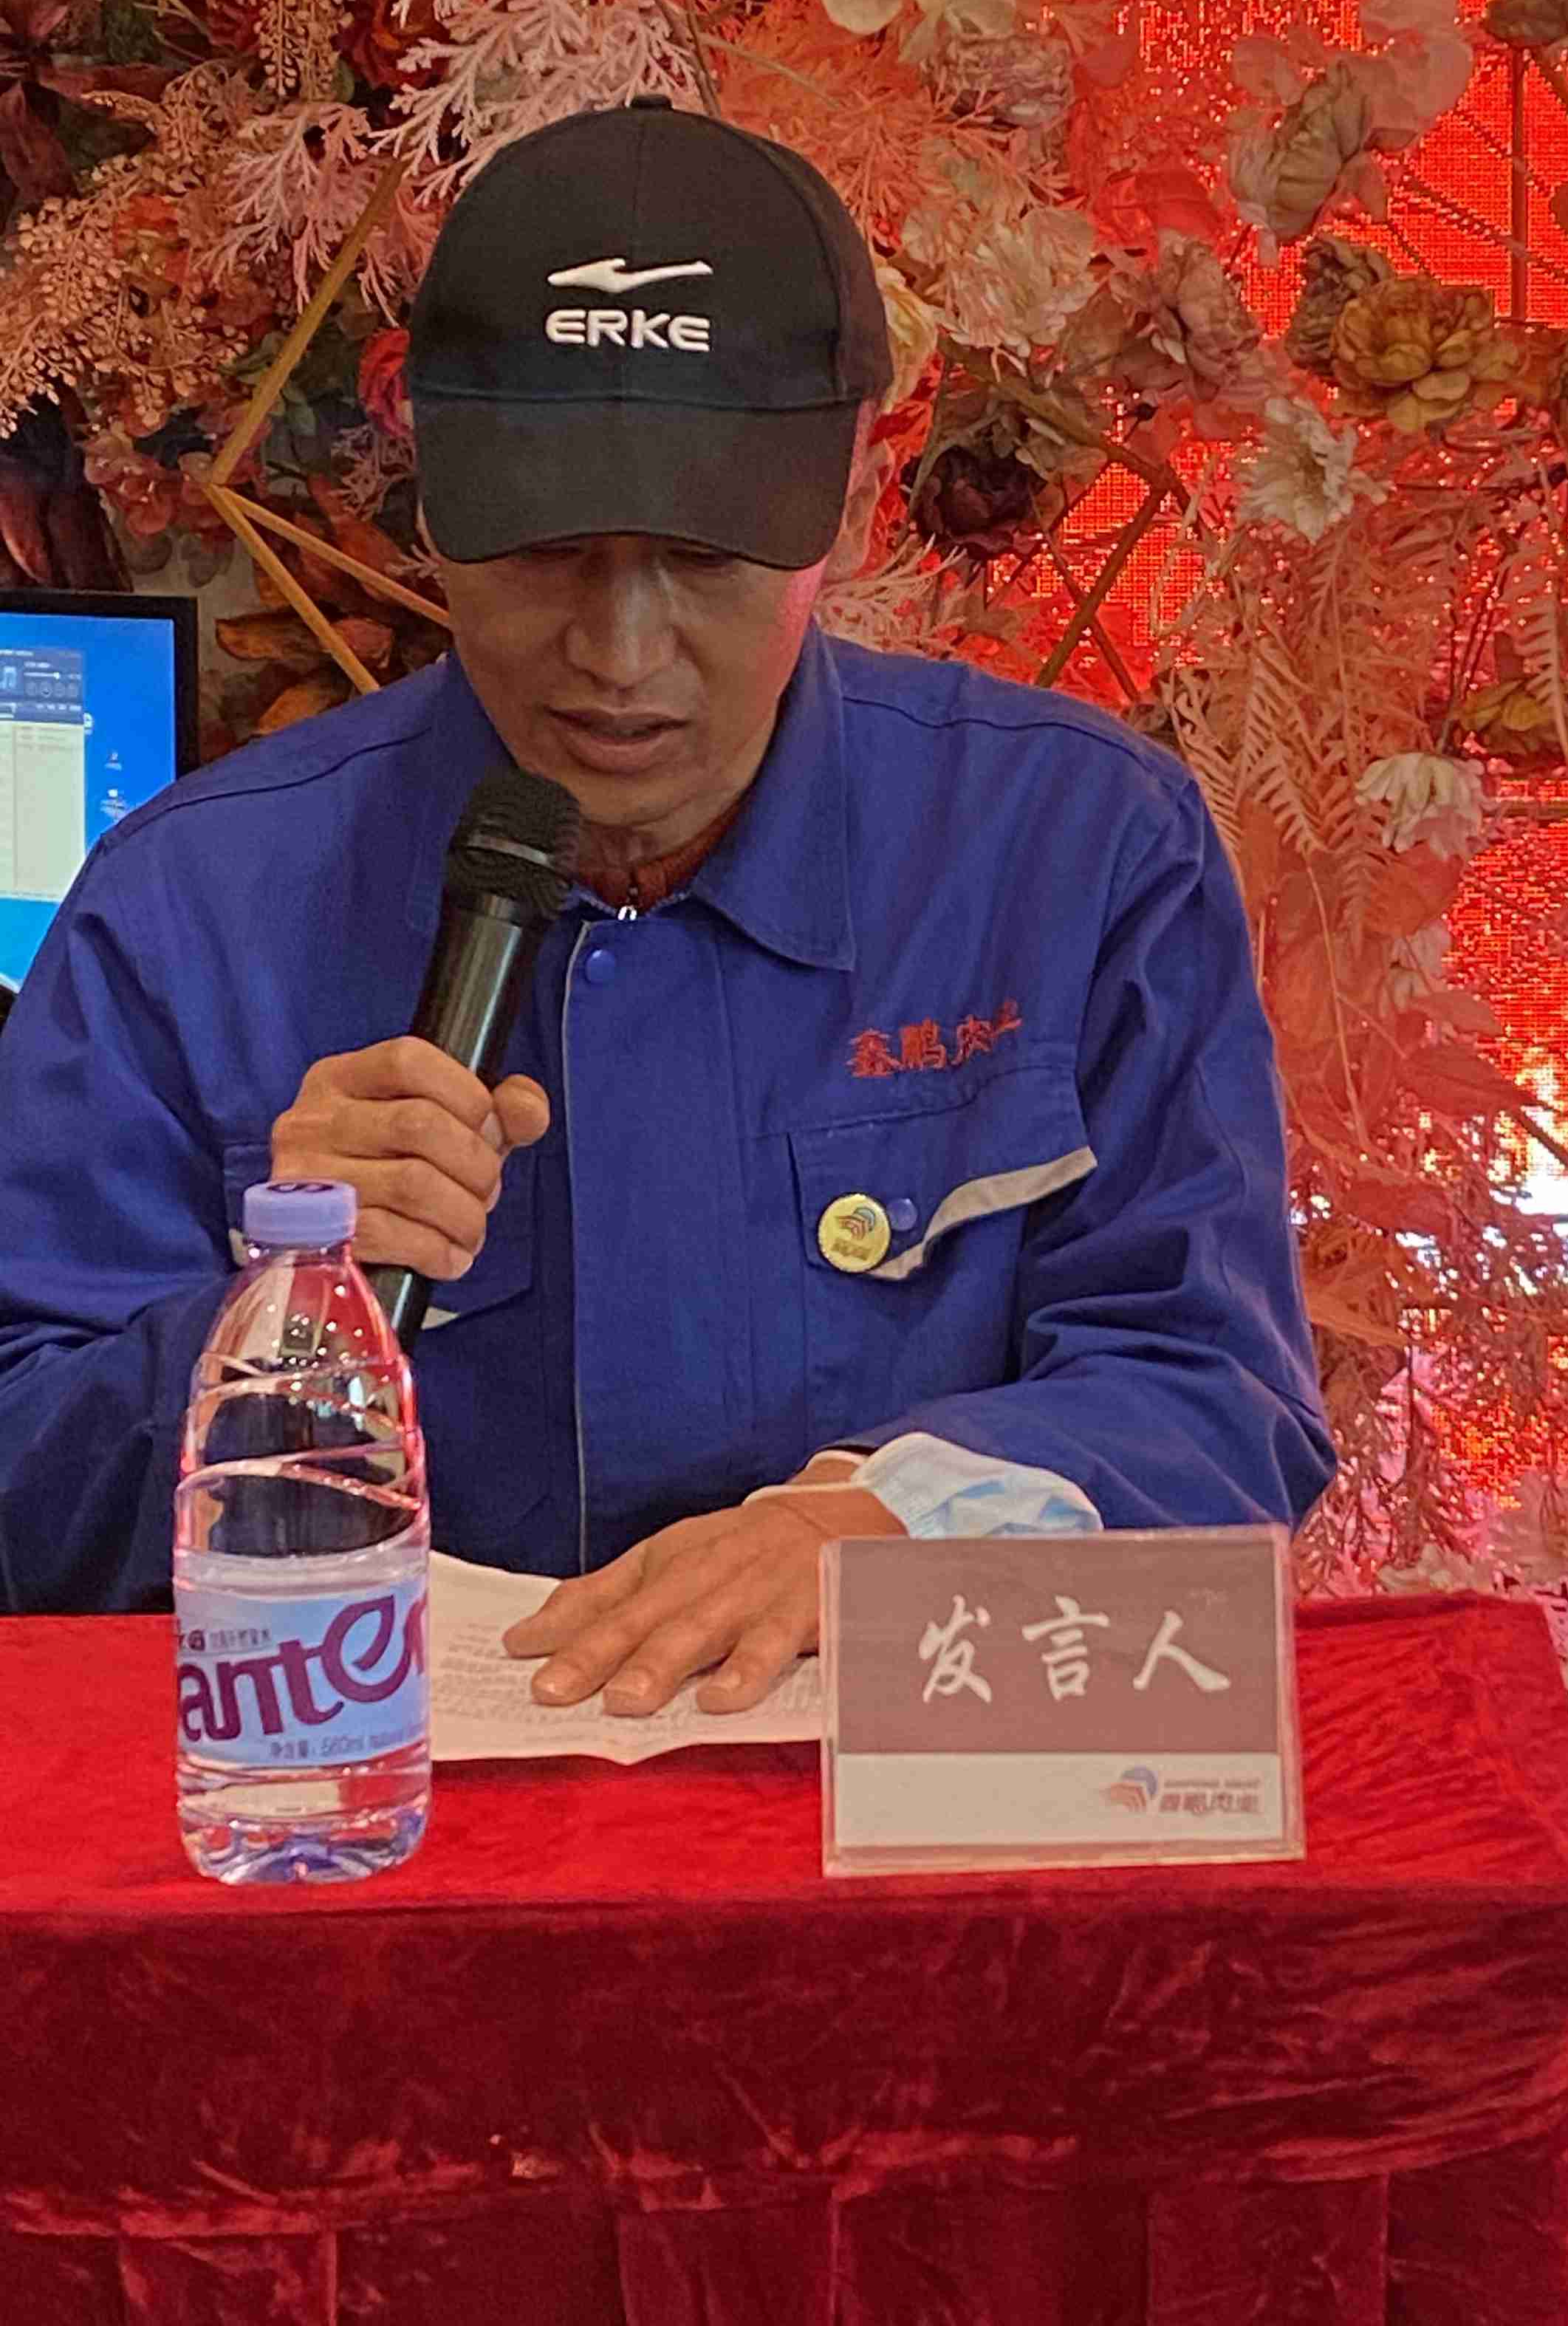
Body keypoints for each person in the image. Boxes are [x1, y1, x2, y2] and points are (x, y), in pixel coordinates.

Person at [0, 100, 1334, 1714]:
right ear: (424, 481)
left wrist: (890, 1523)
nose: (619, 659)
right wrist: (266, 1337)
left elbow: (1217, 1404)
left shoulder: (1079, 851)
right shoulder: (186, 913)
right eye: (547, 551)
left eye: (706, 559)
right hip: (370, 1825)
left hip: (885, 1826)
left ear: (861, 495)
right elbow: (23, 1507)